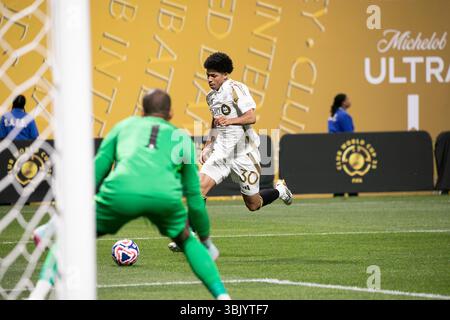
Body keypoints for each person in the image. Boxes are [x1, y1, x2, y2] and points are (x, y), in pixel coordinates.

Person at [30, 89, 230, 300]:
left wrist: (67, 215)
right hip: (164, 197)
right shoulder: (181, 138)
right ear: (171, 113)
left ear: (142, 111)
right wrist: (206, 240)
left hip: (121, 192)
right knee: (188, 240)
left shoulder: (123, 127)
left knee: (73, 237)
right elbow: (195, 199)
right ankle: (223, 298)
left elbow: (92, 176)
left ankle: (39, 292)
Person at [168, 52, 293, 252]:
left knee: (253, 204)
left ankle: (280, 191)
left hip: (243, 154)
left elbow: (251, 116)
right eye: (208, 75)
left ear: (225, 74)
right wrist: (209, 142)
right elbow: (216, 120)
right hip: (221, 153)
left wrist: (231, 121)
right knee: (198, 187)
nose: (210, 79)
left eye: (214, 75)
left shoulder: (236, 89)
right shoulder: (211, 96)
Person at [328, 93, 358, 197]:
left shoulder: (333, 115)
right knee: (350, 173)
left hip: (334, 148)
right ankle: (352, 192)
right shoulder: (343, 115)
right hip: (344, 149)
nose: (349, 101)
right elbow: (349, 135)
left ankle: (338, 192)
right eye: (348, 99)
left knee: (338, 174)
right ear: (343, 102)